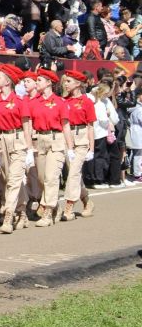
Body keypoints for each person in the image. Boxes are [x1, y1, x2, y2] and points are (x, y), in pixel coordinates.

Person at [0, 63, 35, 233]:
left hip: (18, 139)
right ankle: (22, 211)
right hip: (1, 140)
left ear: (7, 82)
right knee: (9, 180)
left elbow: (26, 126)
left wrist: (29, 149)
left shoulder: (20, 101)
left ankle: (8, 214)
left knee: (15, 179)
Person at [29, 69, 74, 228]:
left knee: (51, 177)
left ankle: (47, 212)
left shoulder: (60, 102)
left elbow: (66, 125)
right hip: (40, 139)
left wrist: (70, 148)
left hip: (56, 139)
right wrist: (29, 147)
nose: (37, 82)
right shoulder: (34, 102)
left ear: (49, 82)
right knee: (41, 179)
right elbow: (28, 125)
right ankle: (55, 206)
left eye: (39, 80)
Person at [62, 70, 96, 218]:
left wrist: (91, 149)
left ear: (78, 83)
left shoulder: (87, 101)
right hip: (67, 138)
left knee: (74, 173)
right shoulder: (64, 101)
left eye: (69, 81)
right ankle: (87, 200)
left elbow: (90, 126)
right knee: (74, 174)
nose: (65, 84)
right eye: (65, 81)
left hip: (81, 138)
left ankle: (68, 206)